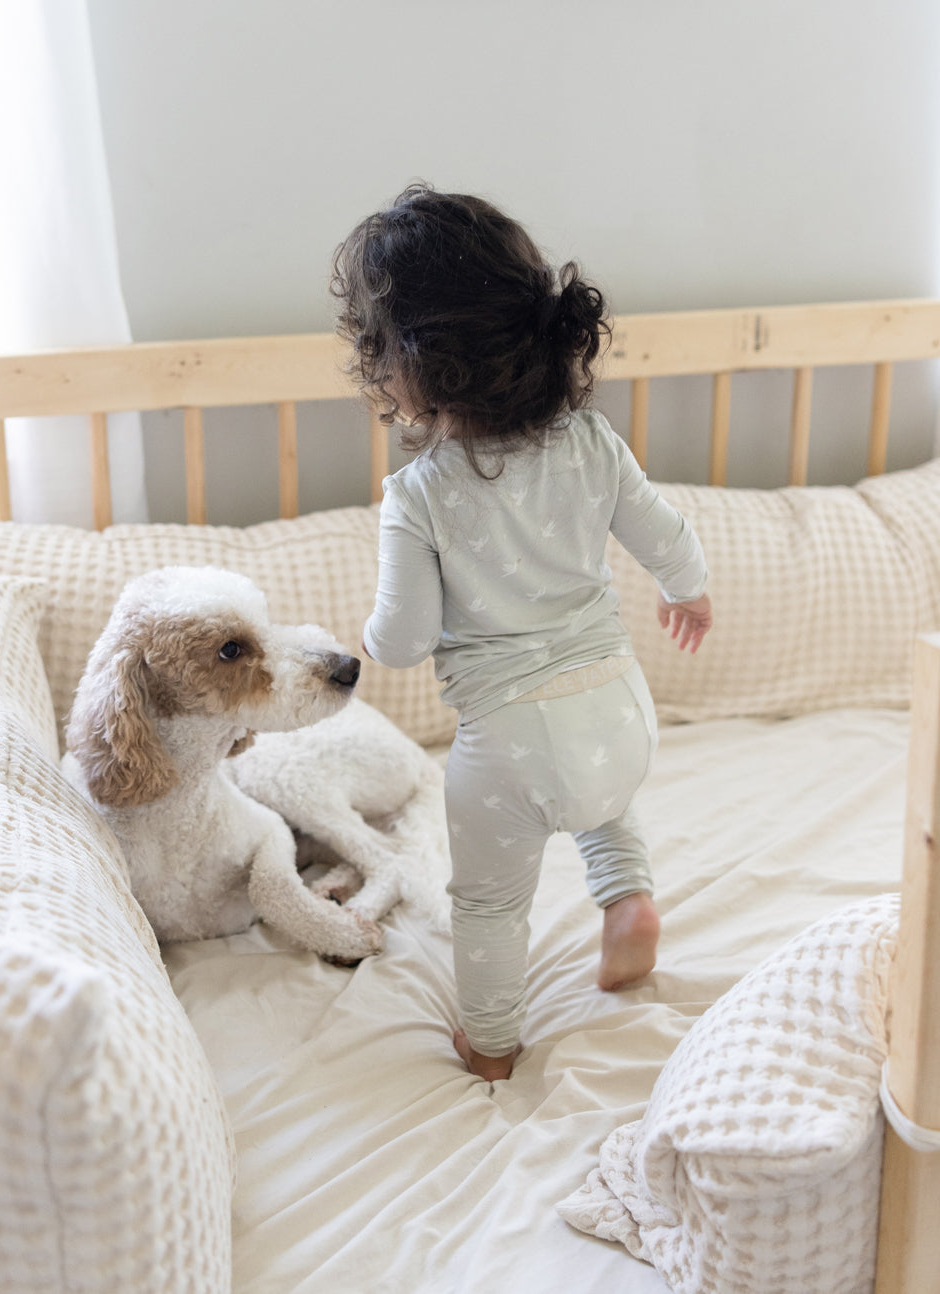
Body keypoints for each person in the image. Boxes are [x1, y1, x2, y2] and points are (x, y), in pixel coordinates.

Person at [332, 184, 713, 1081]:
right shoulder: (591, 440)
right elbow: (664, 533)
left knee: (491, 906)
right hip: (621, 712)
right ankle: (628, 905)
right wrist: (687, 591)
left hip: (508, 749)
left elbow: (405, 638)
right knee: (601, 797)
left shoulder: (419, 496)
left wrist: (371, 634)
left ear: (410, 364)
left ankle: (492, 1043)